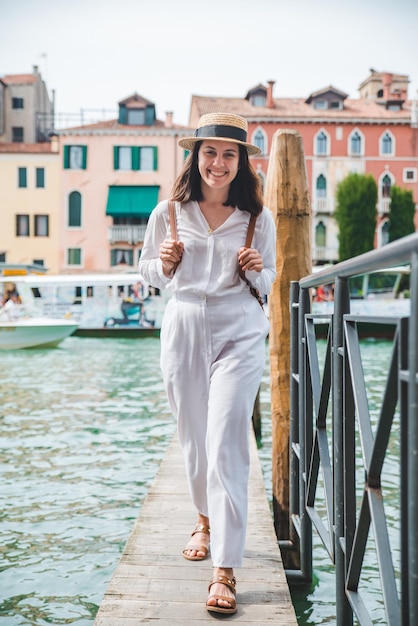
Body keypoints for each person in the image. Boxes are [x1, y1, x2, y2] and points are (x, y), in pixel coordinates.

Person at [138, 112, 276, 615]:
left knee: (225, 440)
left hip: (238, 330)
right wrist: (165, 265)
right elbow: (148, 271)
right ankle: (204, 517)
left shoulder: (258, 219)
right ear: (195, 157)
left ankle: (225, 568)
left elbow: (270, 284)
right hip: (184, 325)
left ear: (242, 163)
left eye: (229, 154)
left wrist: (259, 271)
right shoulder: (168, 212)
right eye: (210, 152)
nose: (218, 163)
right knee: (194, 439)